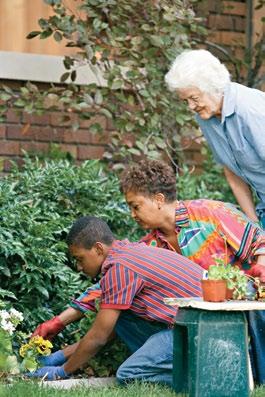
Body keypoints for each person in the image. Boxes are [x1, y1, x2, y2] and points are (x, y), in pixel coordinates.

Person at [33, 159, 265, 382]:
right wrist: (59, 323)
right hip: (191, 321)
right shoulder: (148, 247)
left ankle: (246, 371)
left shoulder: (210, 213)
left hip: (240, 303)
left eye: (136, 206)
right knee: (122, 310)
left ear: (159, 199)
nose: (132, 214)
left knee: (248, 290)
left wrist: (261, 268)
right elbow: (107, 291)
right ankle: (196, 365)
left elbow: (259, 240)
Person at [28, 215, 203, 384]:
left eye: (79, 259)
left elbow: (98, 338)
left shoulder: (120, 268)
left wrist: (62, 371)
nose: (79, 267)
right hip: (191, 329)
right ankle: (188, 368)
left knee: (129, 374)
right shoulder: (126, 253)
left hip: (196, 334)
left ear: (98, 249)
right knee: (122, 319)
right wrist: (59, 356)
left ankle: (198, 379)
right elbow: (107, 331)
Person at [164, 49, 265, 229]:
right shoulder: (206, 117)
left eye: (194, 98)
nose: (191, 106)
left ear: (212, 86)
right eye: (185, 100)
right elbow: (232, 172)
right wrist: (255, 226)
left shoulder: (250, 109)